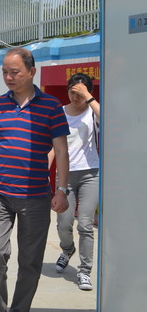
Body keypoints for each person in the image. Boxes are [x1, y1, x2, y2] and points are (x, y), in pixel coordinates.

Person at [0, 47, 70, 312]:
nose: (8, 77)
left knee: (30, 260)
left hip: (35, 197)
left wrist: (61, 190)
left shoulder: (51, 107)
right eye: (4, 72)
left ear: (31, 71)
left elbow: (61, 151)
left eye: (14, 72)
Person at [51, 72, 99, 292]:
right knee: (64, 223)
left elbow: (110, 121)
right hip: (66, 175)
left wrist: (88, 97)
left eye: (80, 92)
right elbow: (53, 146)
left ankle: (84, 271)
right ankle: (67, 249)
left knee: (85, 225)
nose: (75, 96)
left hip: (91, 173)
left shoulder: (93, 111)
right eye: (72, 91)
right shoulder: (60, 113)